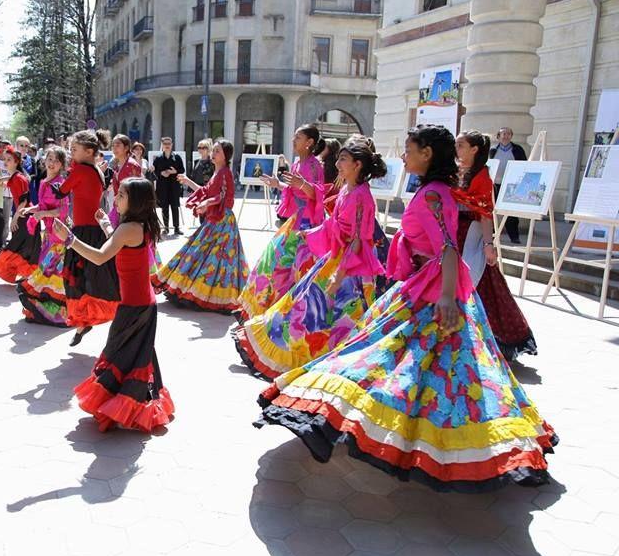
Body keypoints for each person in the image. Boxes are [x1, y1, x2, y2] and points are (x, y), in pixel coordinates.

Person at [255, 124, 558, 493]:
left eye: (410, 150)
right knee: (432, 369)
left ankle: (413, 437)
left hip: (431, 292)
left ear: (427, 154)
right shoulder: (434, 190)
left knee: (394, 359)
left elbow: (448, 248)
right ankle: (425, 437)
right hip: (425, 286)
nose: (403, 156)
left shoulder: (433, 194)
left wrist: (446, 297)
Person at [233, 139, 387, 380]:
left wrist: (339, 275)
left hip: (351, 268)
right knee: (303, 304)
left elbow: (357, 241)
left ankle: (322, 363)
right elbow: (334, 223)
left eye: (343, 159)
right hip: (334, 258)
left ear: (357, 165)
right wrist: (312, 234)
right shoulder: (347, 189)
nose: (337, 163)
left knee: (330, 315)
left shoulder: (362, 196)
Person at [53, 178, 174, 433]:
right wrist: (107, 225)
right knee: (136, 356)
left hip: (134, 306)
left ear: (135, 201)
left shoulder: (128, 228)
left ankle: (122, 406)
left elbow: (100, 257)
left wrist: (70, 239)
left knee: (118, 354)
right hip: (142, 302)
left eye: (121, 195)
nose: (115, 199)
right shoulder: (139, 225)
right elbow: (119, 243)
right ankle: (133, 405)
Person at [455, 130, 538, 361]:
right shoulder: (453, 172)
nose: (456, 149)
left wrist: (488, 244)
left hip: (470, 237)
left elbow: (484, 214)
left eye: (461, 145)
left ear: (474, 149)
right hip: (452, 234)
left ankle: (486, 340)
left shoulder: (482, 177)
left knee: (480, 283)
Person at [237, 124, 326, 321]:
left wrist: (302, 184)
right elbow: (296, 190)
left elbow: (317, 194)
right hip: (295, 221)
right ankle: (265, 309)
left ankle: (282, 315)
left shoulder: (314, 165)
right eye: (294, 137)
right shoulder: (297, 163)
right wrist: (278, 184)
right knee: (272, 262)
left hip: (307, 225)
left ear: (309, 142)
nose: (293, 140)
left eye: (298, 137)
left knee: (291, 269)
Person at [153, 139, 249, 313]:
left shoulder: (225, 172)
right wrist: (188, 181)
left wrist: (207, 203)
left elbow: (225, 197)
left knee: (218, 259)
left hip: (223, 222)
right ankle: (195, 290)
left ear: (225, 156)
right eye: (214, 150)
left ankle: (213, 295)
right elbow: (206, 191)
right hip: (214, 219)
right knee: (203, 254)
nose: (213, 153)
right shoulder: (217, 172)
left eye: (217, 151)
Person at [52, 129, 120, 345]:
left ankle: (84, 321)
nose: (71, 153)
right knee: (94, 279)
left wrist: (52, 178)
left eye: (74, 149)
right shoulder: (96, 169)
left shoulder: (81, 170)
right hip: (96, 230)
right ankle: (87, 321)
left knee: (76, 280)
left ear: (89, 151)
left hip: (82, 232)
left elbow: (61, 191)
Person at [17, 146, 70, 326]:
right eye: (50, 159)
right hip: (48, 235)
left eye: (57, 160)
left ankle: (59, 314)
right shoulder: (44, 181)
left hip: (58, 236)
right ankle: (45, 312)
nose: (52, 163)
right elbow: (43, 205)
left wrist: (41, 214)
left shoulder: (60, 184)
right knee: (47, 273)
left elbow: (62, 211)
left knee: (52, 274)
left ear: (62, 164)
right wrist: (30, 210)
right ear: (44, 160)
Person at [0, 147, 40, 283]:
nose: (5, 162)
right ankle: (26, 275)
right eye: (5, 159)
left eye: (9, 160)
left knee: (21, 245)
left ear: (16, 162)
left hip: (26, 216)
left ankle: (28, 275)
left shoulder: (19, 178)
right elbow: (6, 180)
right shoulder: (15, 176)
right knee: (22, 245)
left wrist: (14, 219)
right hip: (24, 215)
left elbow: (24, 201)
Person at [489, 127, 528, 244]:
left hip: (511, 185)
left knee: (510, 212)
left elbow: (524, 165)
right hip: (495, 184)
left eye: (508, 134)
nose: (506, 136)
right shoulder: (493, 150)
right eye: (503, 134)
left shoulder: (517, 149)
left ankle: (514, 236)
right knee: (492, 210)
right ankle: (492, 235)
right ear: (498, 136)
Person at [107, 134, 143, 228]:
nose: (114, 148)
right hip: (118, 207)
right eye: (113, 145)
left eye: (118, 145)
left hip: (130, 210)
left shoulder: (132, 165)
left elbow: (136, 191)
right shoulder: (117, 165)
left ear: (126, 148)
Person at [152, 137, 186, 234]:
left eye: (169, 144)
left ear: (172, 145)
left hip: (174, 186)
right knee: (164, 207)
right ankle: (166, 228)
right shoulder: (158, 158)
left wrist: (175, 171)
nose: (167, 145)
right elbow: (154, 171)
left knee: (175, 206)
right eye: (165, 144)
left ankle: (176, 228)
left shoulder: (177, 157)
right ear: (162, 145)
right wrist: (161, 173)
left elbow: (182, 170)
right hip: (162, 186)